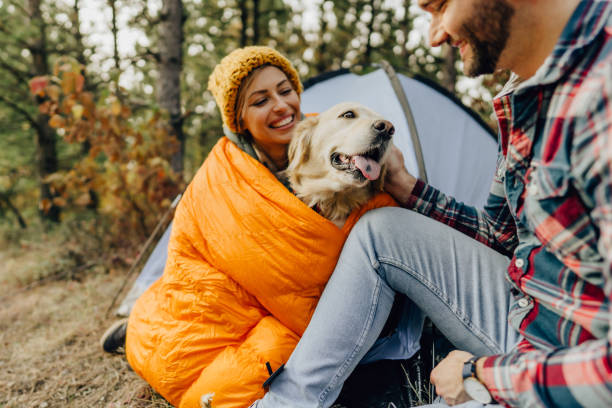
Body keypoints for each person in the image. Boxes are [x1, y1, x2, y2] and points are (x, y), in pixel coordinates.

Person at [252, 0, 612, 407]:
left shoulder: (600, 99)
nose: (435, 35)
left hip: (570, 357)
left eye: (439, 6)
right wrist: (407, 188)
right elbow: (500, 233)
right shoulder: (523, 92)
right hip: (531, 305)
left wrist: (482, 377)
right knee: (381, 230)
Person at [122, 46, 403, 408]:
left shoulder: (330, 136)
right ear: (238, 120)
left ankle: (135, 329)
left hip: (267, 311)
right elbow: (286, 282)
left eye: (286, 91)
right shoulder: (224, 178)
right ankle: (135, 330)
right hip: (222, 313)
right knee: (238, 352)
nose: (281, 106)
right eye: (260, 100)